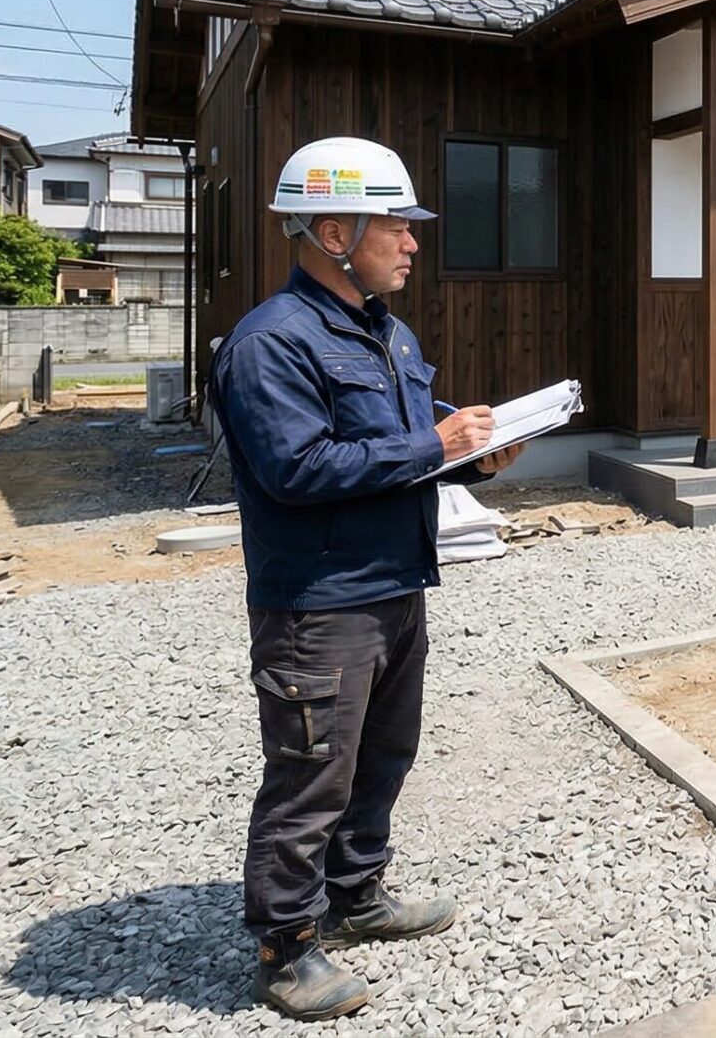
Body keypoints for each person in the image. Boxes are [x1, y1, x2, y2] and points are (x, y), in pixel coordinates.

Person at [213, 138, 523, 1021]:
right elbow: (297, 469)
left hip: (393, 584)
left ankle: (358, 894)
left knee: (382, 755)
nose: (414, 242)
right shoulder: (271, 342)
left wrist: (476, 458)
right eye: (399, 224)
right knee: (310, 773)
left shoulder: (385, 331)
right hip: (318, 601)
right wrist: (436, 443)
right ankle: (285, 946)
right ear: (334, 229)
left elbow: (404, 447)